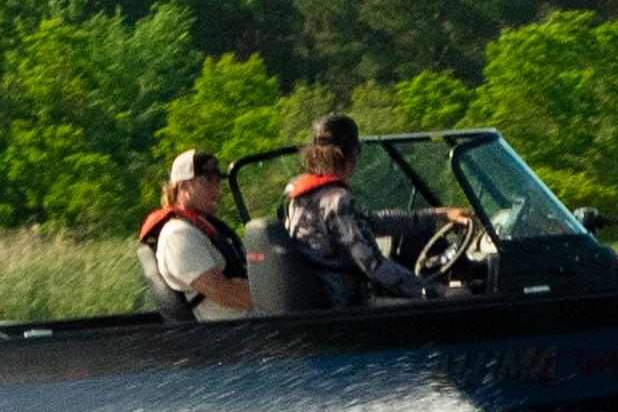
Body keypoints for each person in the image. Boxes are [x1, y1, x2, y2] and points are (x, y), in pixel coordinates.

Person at [277, 113, 433, 301]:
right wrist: (432, 291)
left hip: (320, 293)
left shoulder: (299, 197)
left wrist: (437, 214)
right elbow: (372, 265)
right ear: (349, 152)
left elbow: (369, 221)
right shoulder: (337, 200)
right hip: (343, 299)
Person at [135, 149, 251, 318]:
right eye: (208, 180)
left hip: (257, 325)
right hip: (238, 336)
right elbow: (224, 293)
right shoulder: (178, 235)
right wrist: (278, 296)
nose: (216, 190)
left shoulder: (201, 229)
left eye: (217, 181)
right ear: (183, 186)